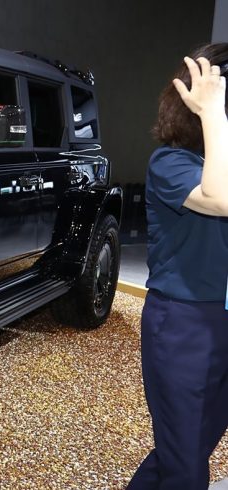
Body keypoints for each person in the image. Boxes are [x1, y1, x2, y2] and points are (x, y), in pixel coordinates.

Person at [128, 45, 228, 489]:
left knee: (186, 451)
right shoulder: (171, 163)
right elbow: (220, 198)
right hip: (184, 325)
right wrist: (214, 114)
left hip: (220, 320)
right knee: (185, 467)